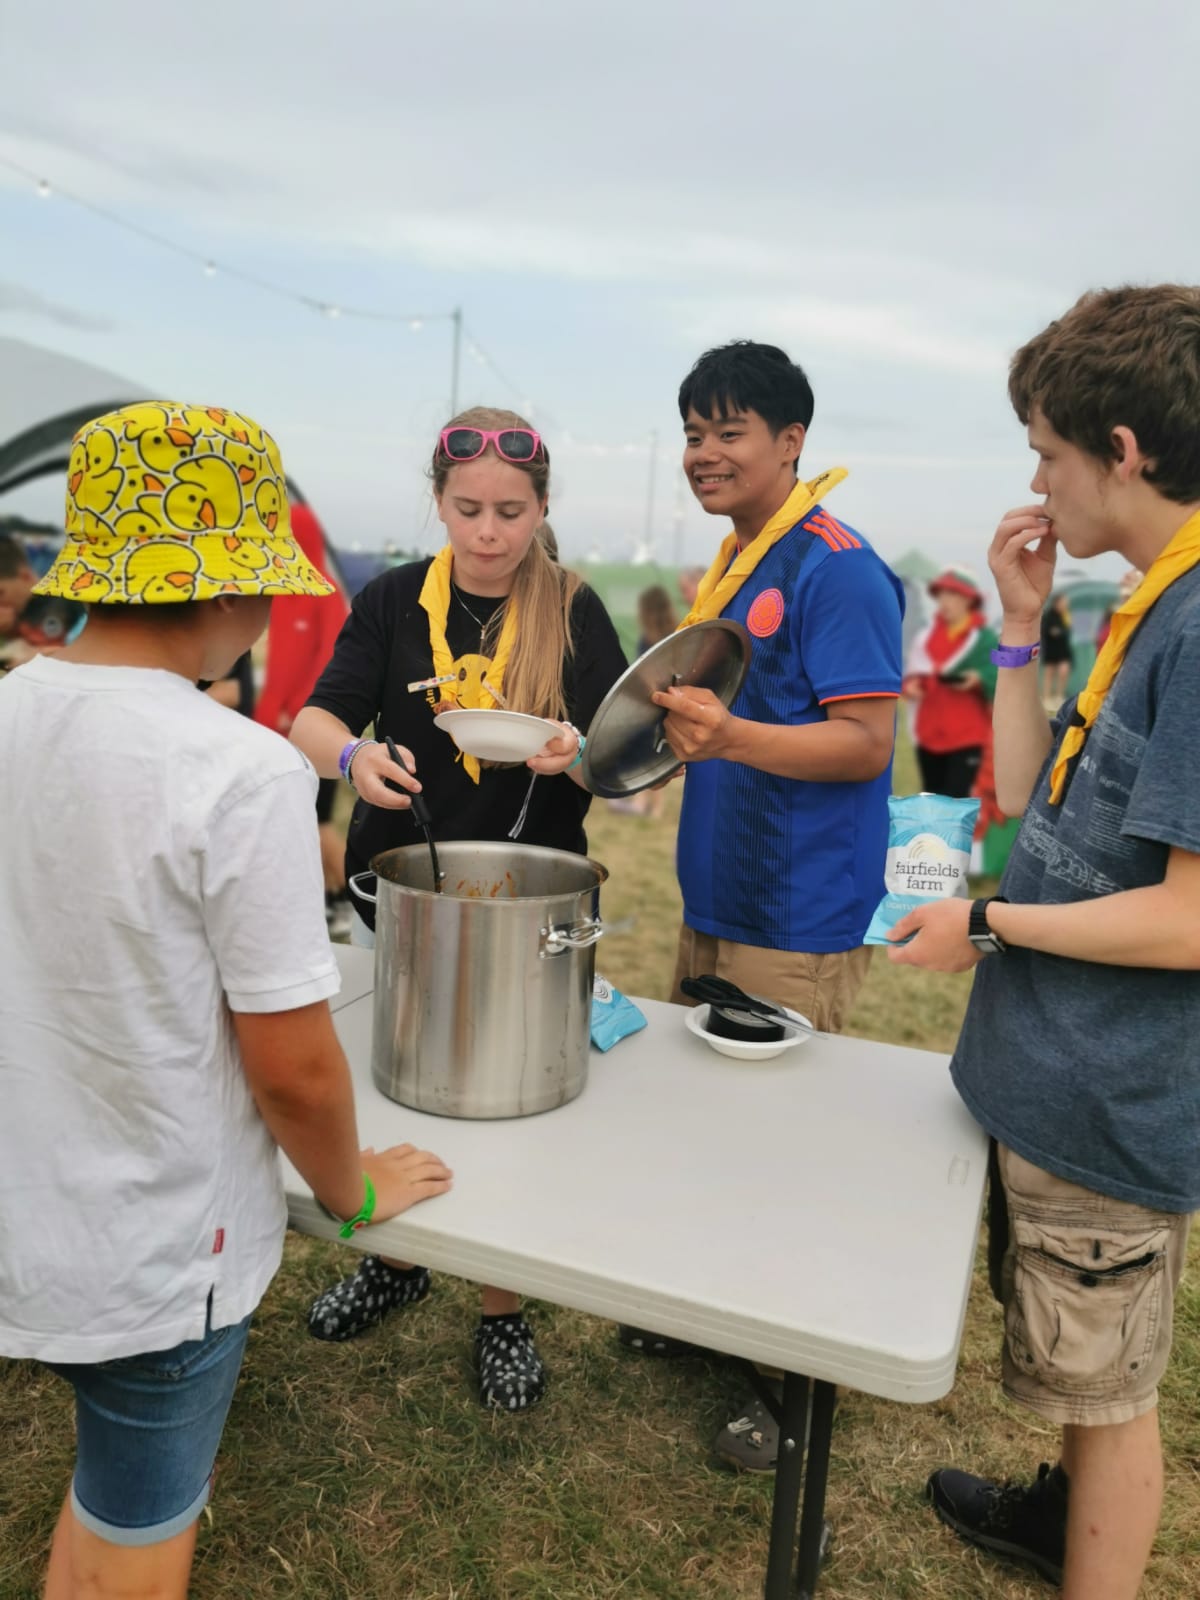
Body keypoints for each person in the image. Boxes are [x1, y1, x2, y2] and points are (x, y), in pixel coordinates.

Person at [0, 402, 452, 1600]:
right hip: (154, 1245)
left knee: (111, 1493)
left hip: (22, 1198)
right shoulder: (239, 767)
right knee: (133, 1531)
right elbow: (292, 1065)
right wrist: (352, 1191)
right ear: (230, 596)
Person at [888, 285, 1200, 1600]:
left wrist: (987, 921)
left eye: (1050, 452)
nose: (1038, 481)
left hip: (1113, 1098)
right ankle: (1053, 1519)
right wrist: (1020, 629)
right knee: (1078, 1369)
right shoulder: (1145, 603)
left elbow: (1191, 917)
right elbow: (1030, 802)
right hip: (1053, 1075)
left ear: (1123, 449)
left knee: (1113, 1390)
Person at [290, 405, 627, 1410]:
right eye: (469, 508)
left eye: (511, 511)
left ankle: (502, 1310)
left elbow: (625, 754)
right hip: (403, 880)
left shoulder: (574, 607)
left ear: (543, 507)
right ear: (438, 503)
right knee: (399, 1079)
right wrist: (352, 756)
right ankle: (396, 1260)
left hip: (530, 889)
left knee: (508, 1095)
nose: (489, 531)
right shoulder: (395, 599)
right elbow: (312, 718)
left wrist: (586, 752)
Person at [621, 340, 905, 1471]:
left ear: (793, 441)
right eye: (693, 432)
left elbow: (865, 741)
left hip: (799, 907)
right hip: (720, 890)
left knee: (787, 1151)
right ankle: (717, 1325)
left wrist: (729, 734)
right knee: (716, 1127)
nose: (703, 454)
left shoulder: (837, 567)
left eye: (728, 432)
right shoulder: (739, 561)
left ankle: (789, 1393)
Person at [253, 502, 353, 936]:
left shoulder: (325, 592)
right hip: (269, 732)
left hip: (311, 731)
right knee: (296, 823)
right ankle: (326, 896)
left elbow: (332, 659)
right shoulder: (275, 594)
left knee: (319, 823)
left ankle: (345, 895)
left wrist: (295, 708)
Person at [901, 566, 998, 798]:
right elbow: (914, 674)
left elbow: (1000, 674)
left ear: (968, 599)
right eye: (941, 594)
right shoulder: (926, 637)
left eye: (952, 594)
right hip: (929, 732)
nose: (944, 601)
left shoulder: (985, 639)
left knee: (957, 803)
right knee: (931, 799)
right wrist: (911, 687)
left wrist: (977, 678)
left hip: (967, 734)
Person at [0, 532, 84, 672]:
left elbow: (92, 648)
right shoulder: (20, 614)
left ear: (25, 576)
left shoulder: (68, 602)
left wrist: (39, 657)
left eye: (1, 593)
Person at [1040, 591, 1074, 704]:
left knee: (1064, 671)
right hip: (1051, 649)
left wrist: (1061, 631)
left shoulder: (1065, 615)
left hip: (1063, 648)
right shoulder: (1049, 615)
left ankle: (1059, 695)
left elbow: (1066, 630)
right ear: (1057, 603)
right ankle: (1047, 697)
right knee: (1049, 673)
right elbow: (1049, 631)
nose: (1065, 604)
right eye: (1064, 602)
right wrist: (1058, 631)